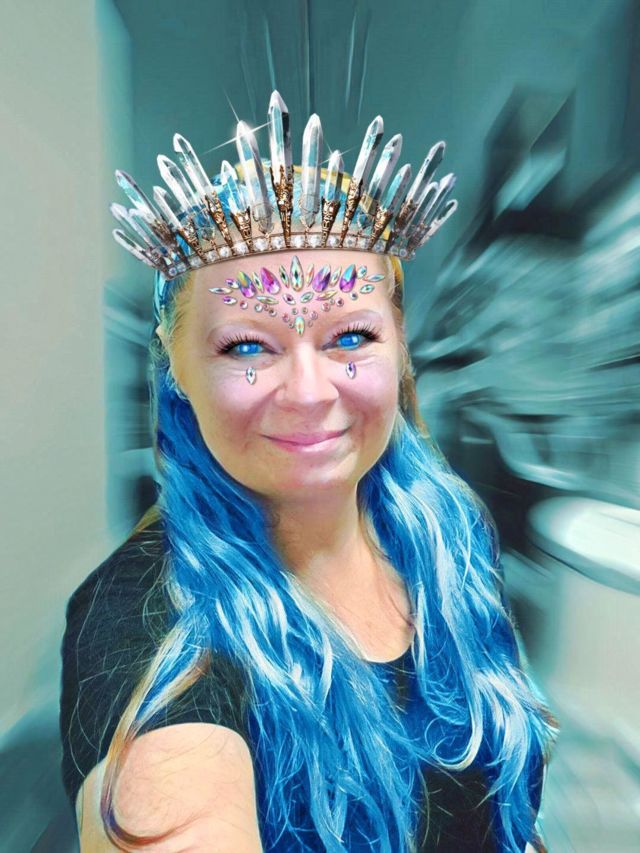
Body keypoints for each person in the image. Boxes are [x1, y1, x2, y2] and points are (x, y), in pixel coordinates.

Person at [59, 90, 557, 852]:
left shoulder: (450, 534)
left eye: (350, 336)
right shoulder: (144, 620)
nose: (309, 392)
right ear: (177, 371)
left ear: (399, 346)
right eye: (246, 346)